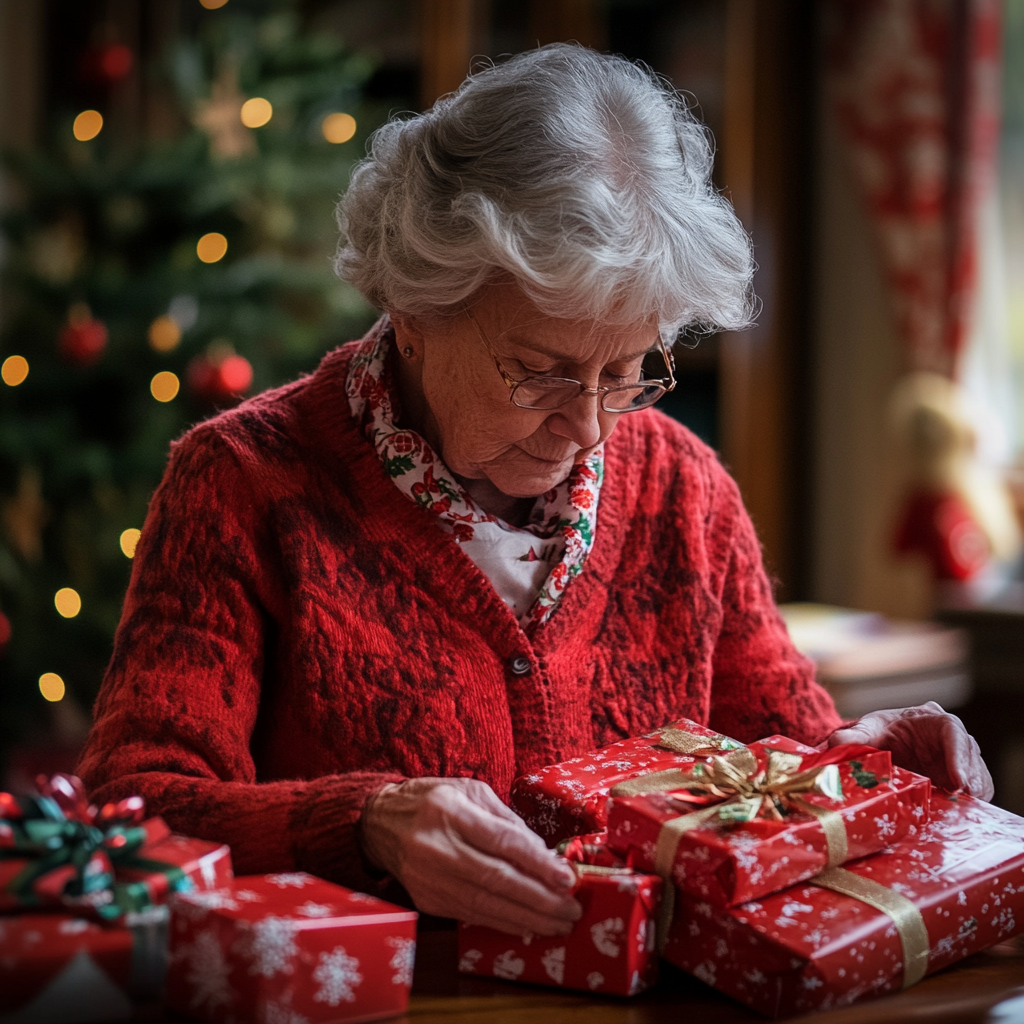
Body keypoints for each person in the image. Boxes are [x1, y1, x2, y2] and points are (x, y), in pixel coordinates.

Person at [78, 44, 993, 940]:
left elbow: (775, 762)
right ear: (416, 309)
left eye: (628, 371)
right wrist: (367, 825)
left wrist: (863, 765)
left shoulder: (685, 489)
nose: (592, 427)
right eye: (544, 373)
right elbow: (133, 812)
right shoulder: (240, 483)